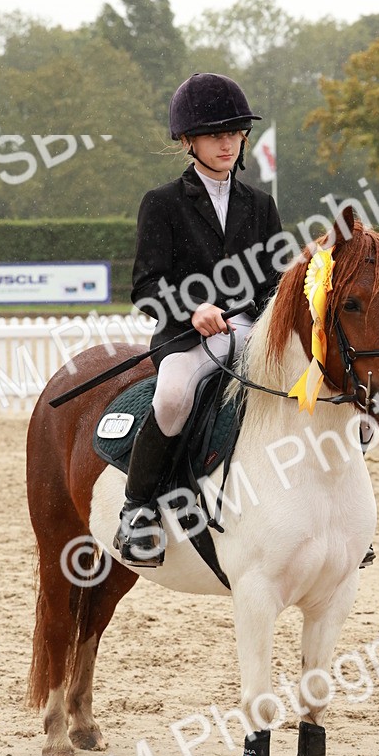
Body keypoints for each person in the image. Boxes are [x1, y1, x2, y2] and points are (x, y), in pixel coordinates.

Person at [114, 73, 282, 567]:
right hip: (186, 336)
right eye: (215, 134)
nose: (227, 142)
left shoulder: (261, 204)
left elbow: (272, 283)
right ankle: (138, 509)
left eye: (234, 133)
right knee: (170, 399)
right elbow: (145, 286)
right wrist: (193, 309)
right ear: (189, 141)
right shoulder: (162, 204)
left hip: (251, 333)